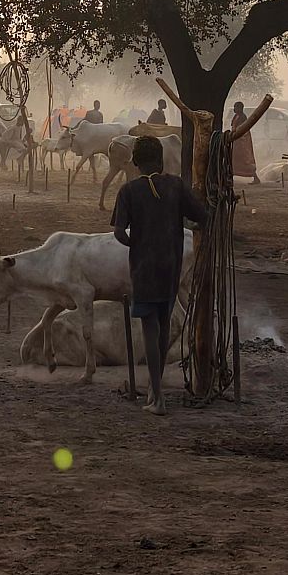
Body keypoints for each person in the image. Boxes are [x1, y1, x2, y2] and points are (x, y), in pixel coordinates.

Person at [110, 135, 206, 416]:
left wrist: (137, 243)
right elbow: (202, 216)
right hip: (170, 266)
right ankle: (155, 389)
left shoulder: (128, 191)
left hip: (144, 269)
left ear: (135, 162)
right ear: (161, 159)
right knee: (163, 326)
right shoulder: (175, 186)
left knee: (150, 329)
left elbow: (119, 233)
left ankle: (158, 397)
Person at [229, 100, 258, 182]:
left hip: (242, 141)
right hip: (236, 140)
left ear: (240, 108)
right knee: (234, 159)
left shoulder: (243, 117)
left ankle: (255, 177)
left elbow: (242, 129)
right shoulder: (236, 116)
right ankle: (231, 176)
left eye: (236, 107)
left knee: (245, 160)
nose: (234, 109)